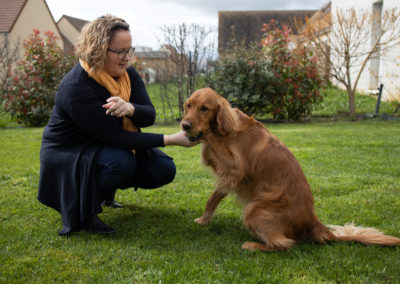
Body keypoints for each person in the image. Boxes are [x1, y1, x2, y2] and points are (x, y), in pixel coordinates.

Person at [38, 14, 197, 236]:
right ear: (98, 49)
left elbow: (148, 116)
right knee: (121, 162)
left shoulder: (128, 75)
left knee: (163, 169)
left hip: (103, 146)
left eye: (129, 50)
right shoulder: (76, 88)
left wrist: (131, 109)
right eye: (119, 51)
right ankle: (86, 215)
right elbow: (116, 138)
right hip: (70, 151)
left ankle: (105, 193)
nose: (126, 58)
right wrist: (171, 140)